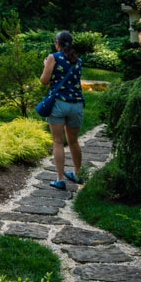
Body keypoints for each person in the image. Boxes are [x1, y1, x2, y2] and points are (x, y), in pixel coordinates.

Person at [40, 30, 85, 190]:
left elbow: (44, 81)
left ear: (57, 42)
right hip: (77, 104)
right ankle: (78, 174)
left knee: (58, 142)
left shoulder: (53, 57)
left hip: (59, 103)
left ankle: (60, 179)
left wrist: (46, 65)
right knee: (73, 141)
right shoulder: (77, 60)